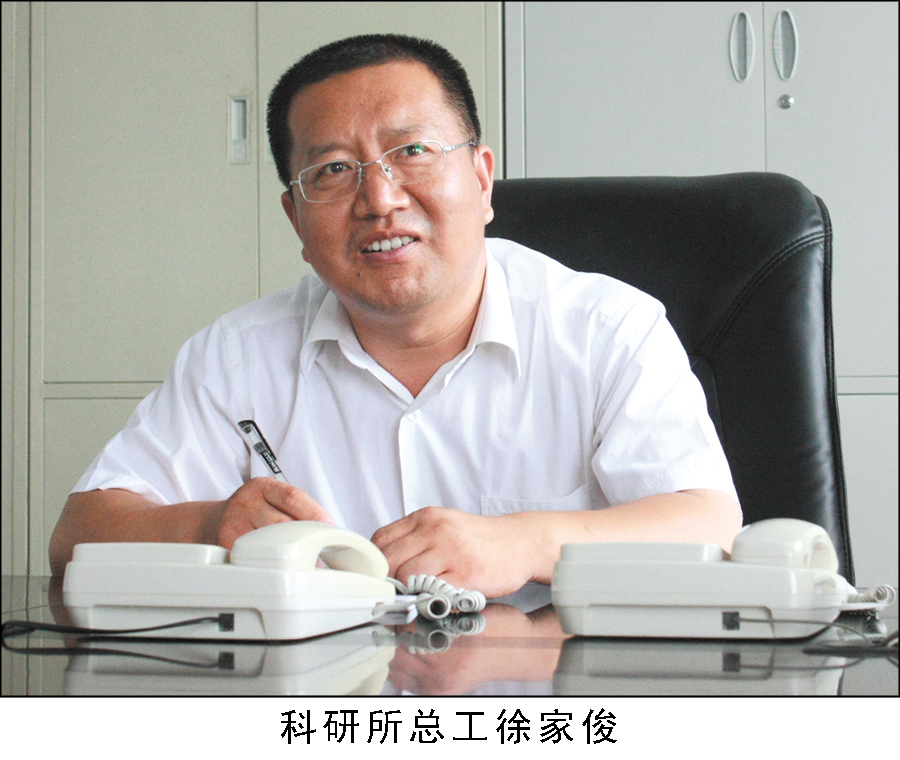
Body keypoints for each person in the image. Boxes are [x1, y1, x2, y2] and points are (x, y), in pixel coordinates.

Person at [49, 34, 741, 596]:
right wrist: (210, 526)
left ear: (481, 178)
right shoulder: (236, 356)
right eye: (332, 170)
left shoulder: (606, 330)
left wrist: (526, 543)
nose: (379, 199)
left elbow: (709, 523)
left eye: (412, 152)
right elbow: (78, 535)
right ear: (295, 218)